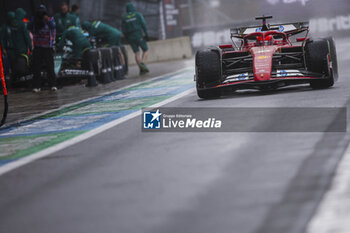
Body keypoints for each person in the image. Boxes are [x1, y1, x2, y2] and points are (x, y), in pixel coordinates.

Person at [29, 5, 57, 92]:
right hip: (38, 47)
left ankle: (53, 85)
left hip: (47, 47)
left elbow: (53, 26)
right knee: (36, 67)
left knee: (50, 67)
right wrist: (34, 19)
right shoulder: (35, 19)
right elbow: (28, 27)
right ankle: (37, 86)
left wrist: (46, 19)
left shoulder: (49, 19)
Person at [2, 10, 32, 82]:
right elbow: (27, 37)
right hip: (18, 50)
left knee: (16, 65)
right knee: (20, 65)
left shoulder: (13, 26)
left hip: (15, 50)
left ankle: (16, 79)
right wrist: (30, 48)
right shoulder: (21, 25)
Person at [121, 2, 149, 75]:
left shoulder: (124, 18)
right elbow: (143, 24)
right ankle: (142, 63)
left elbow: (123, 30)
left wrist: (127, 38)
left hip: (130, 38)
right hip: (138, 35)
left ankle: (141, 69)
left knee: (137, 53)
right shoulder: (137, 15)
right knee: (145, 50)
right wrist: (146, 34)